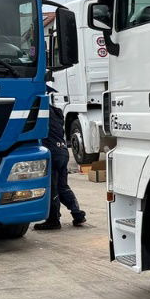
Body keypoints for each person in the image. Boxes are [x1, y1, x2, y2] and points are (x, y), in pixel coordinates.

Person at [35, 87, 86, 230]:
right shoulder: (57, 113)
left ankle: (53, 220)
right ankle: (78, 214)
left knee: (52, 187)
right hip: (63, 151)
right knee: (63, 186)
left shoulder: (40, 110)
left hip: (52, 152)